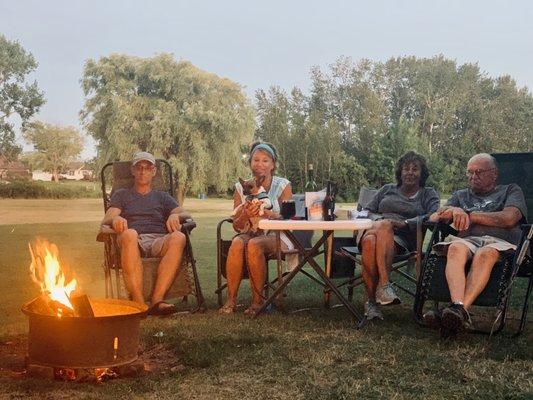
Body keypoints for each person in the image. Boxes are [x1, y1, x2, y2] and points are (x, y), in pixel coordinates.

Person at [427, 153, 527, 334]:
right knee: (455, 248)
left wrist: (469, 215)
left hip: (500, 242)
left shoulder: (511, 190)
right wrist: (454, 209)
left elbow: (509, 218)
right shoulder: (460, 195)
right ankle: (459, 309)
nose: (473, 177)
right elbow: (435, 216)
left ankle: (455, 312)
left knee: (485, 253)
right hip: (467, 241)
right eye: (470, 172)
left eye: (479, 172)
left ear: (494, 174)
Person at [101, 151, 191, 315]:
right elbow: (108, 218)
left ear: (153, 172)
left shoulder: (162, 197)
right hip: (133, 240)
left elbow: (186, 214)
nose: (143, 171)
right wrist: (115, 220)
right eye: (139, 168)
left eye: (147, 168)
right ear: (132, 171)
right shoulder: (122, 194)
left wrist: (174, 214)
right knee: (130, 234)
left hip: (159, 240)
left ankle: (157, 300)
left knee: (179, 236)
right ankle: (139, 303)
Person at [360, 151, 440, 320]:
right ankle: (384, 286)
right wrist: (380, 220)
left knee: (369, 242)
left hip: (403, 241)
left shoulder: (428, 193)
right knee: (382, 226)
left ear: (422, 173)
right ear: (400, 172)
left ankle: (371, 303)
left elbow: (434, 216)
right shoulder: (387, 189)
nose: (410, 172)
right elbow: (367, 211)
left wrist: (405, 223)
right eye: (406, 168)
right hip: (376, 227)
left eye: (415, 169)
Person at [219, 141, 293, 315]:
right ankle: (231, 300)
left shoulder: (282, 185)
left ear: (273, 164)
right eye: (256, 160)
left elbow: (288, 217)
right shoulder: (241, 186)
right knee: (237, 242)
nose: (260, 164)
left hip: (279, 234)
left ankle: (257, 302)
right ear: (250, 162)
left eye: (265, 160)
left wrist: (266, 213)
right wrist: (245, 213)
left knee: (254, 244)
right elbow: (237, 226)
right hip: (251, 232)